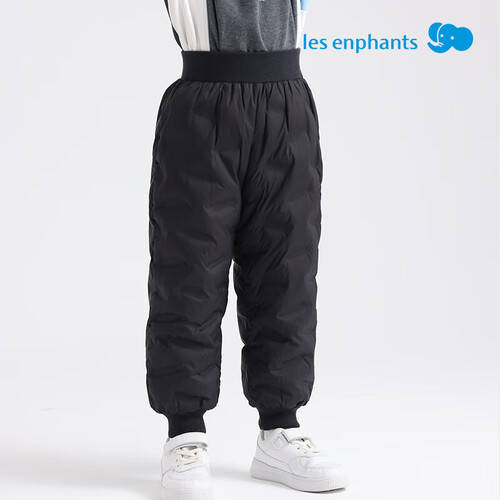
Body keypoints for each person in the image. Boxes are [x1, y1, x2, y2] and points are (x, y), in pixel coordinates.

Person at [146, 1, 348, 498]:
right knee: (189, 273)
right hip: (203, 102)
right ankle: (184, 432)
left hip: (286, 102)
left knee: (287, 270)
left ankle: (280, 427)